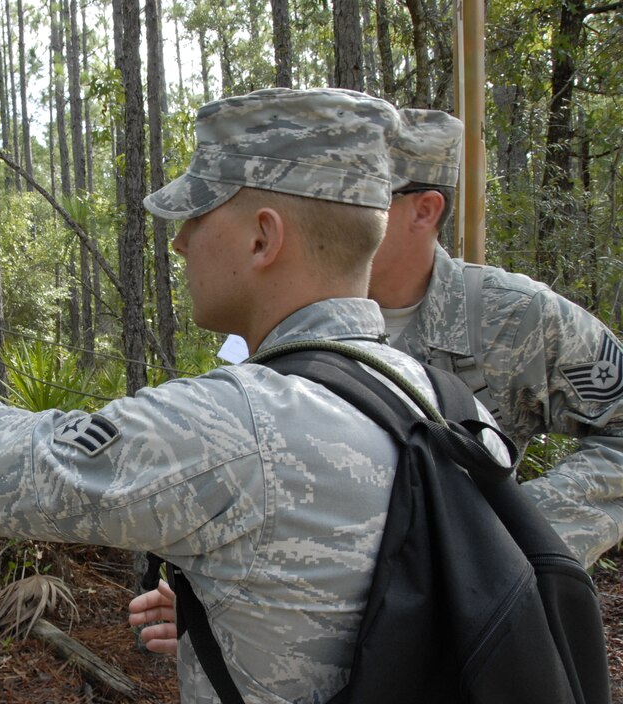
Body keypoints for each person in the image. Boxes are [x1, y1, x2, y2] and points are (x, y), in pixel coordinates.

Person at [0, 89, 502, 704]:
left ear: (262, 239)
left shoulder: (235, 426)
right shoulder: (449, 402)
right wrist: (233, 601)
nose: (180, 242)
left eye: (197, 215)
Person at [132, 107, 623, 657]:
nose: (336, 200)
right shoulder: (270, 312)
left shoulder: (514, 320)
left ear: (424, 210)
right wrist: (222, 602)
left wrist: (513, 539)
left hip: (471, 651)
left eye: (366, 188)